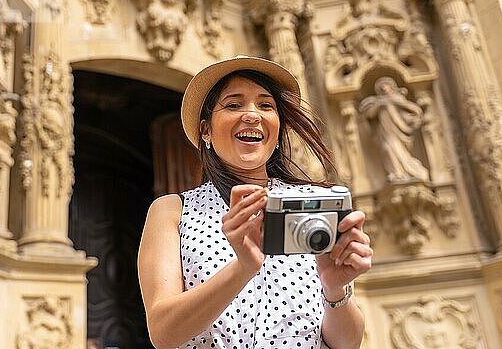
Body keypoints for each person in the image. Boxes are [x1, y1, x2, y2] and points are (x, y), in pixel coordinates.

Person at [138, 56, 372, 349]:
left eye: (266, 105)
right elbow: (163, 333)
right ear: (205, 131)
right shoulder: (174, 210)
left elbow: (347, 344)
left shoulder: (313, 205)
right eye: (234, 105)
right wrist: (243, 268)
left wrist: (336, 289)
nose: (252, 115)